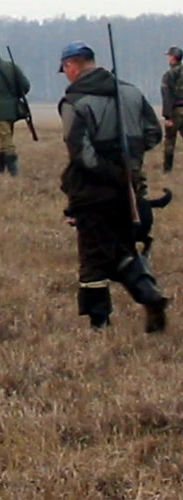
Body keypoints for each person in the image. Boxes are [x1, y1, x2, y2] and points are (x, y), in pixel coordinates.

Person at [57, 40, 168, 332]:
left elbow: (81, 154)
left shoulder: (74, 102)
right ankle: (149, 295)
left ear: (72, 66)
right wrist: (129, 162)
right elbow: (154, 134)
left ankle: (100, 324)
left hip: (93, 192)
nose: (66, 75)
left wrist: (111, 172)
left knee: (93, 256)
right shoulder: (131, 92)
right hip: (130, 190)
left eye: (65, 69)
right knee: (122, 249)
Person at [0, 46, 31, 176]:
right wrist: (15, 95)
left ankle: (14, 172)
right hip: (13, 108)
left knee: (6, 138)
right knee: (6, 136)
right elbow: (25, 85)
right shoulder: (12, 66)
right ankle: (0, 168)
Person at [159, 45, 183, 172]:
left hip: (175, 111)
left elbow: (166, 96)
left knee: (170, 140)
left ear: (173, 58)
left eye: (169, 56)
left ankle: (167, 170)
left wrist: (167, 116)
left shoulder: (168, 75)